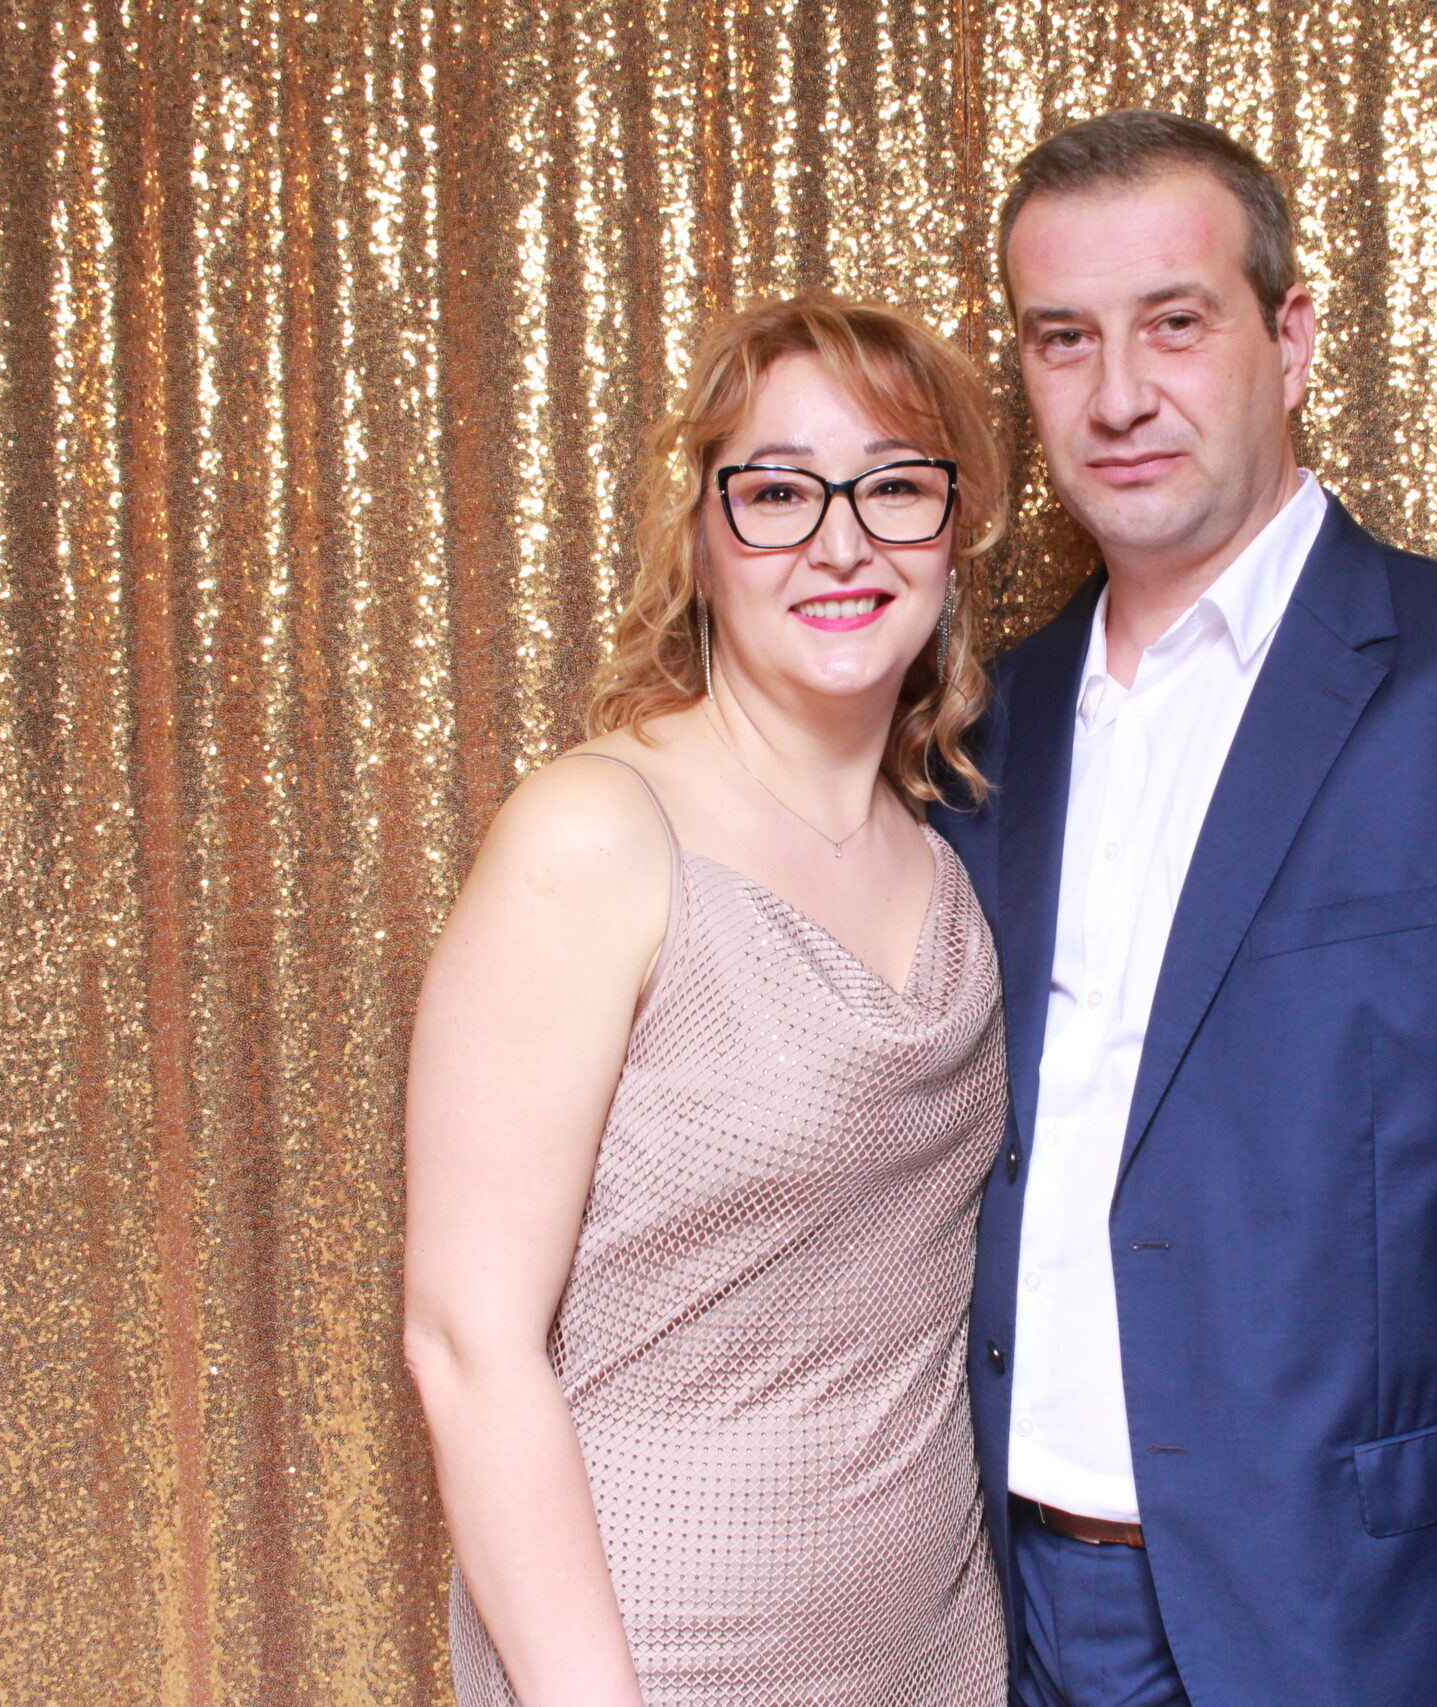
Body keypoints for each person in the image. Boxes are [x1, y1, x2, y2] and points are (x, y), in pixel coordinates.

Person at [937, 111, 1437, 1707]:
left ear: (1290, 340)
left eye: (1176, 322)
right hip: (989, 1621)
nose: (1117, 394)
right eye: (1063, 339)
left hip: (1340, 1636)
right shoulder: (984, 728)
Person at [401, 297, 1012, 1707]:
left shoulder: (952, 852)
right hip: (659, 1657)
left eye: (894, 487)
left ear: (952, 533)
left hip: (932, 1655)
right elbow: (467, 1341)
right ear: (699, 535)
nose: (842, 543)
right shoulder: (599, 834)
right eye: (780, 492)